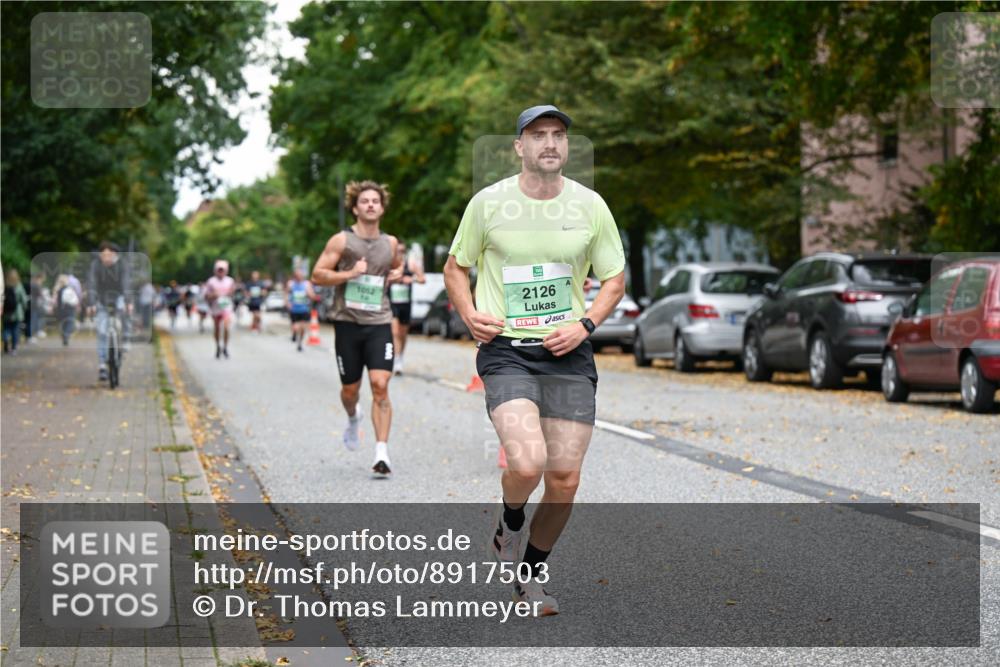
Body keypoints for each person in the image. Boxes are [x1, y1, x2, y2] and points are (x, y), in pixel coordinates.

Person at [444, 105, 626, 616]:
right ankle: (509, 522)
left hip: (567, 352)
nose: (550, 142)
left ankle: (531, 575)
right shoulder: (488, 203)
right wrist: (468, 311)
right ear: (519, 148)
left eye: (558, 135)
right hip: (506, 352)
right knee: (528, 462)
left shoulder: (591, 206)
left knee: (565, 477)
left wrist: (586, 324)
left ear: (567, 147)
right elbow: (456, 267)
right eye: (538, 135)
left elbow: (614, 279)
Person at [311, 180, 404, 476]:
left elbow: (398, 266)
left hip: (378, 322)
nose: (371, 205)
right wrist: (350, 273)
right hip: (347, 323)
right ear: (355, 208)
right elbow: (317, 275)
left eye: (376, 200)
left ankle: (382, 453)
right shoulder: (342, 241)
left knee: (380, 385)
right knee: (350, 390)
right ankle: (353, 418)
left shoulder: (389, 243)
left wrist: (398, 273)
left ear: (382, 207)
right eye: (365, 201)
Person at [87, 241, 132, 381]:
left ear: (115, 255)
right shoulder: (95, 266)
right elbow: (92, 284)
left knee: (124, 316)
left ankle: (125, 339)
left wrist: (128, 301)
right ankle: (102, 365)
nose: (106, 258)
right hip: (101, 299)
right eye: (103, 255)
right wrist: (91, 303)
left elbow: (126, 284)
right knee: (101, 332)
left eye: (109, 254)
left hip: (118, 296)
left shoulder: (122, 265)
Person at [388, 241, 426, 374]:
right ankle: (396, 360)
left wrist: (412, 279)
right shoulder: (390, 264)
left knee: (403, 334)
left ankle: (400, 356)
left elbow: (422, 279)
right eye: (397, 250)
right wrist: (392, 280)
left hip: (405, 303)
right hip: (392, 304)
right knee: (395, 332)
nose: (400, 253)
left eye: (402, 251)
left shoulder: (410, 264)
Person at [205, 260, 237, 359]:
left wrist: (229, 293)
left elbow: (233, 293)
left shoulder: (230, 281)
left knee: (226, 327)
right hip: (215, 307)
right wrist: (213, 295)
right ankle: (218, 346)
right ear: (215, 270)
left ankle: (225, 347)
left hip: (226, 306)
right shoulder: (211, 281)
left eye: (222, 270)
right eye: (219, 270)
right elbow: (206, 296)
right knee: (217, 328)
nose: (220, 272)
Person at [286, 268, 319, 352]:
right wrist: (287, 303)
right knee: (296, 327)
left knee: (303, 328)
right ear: (295, 276)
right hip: (294, 309)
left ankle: (299, 344)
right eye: (297, 275)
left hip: (304, 309)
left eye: (300, 275)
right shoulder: (291, 284)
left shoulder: (306, 284)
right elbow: (286, 293)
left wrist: (313, 296)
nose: (299, 277)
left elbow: (311, 295)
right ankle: (294, 334)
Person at [2, 268, 28, 355]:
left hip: (6, 312)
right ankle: (13, 349)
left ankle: (5, 339)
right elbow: (23, 299)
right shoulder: (19, 285)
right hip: (17, 312)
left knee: (6, 328)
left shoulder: (4, 285)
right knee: (15, 330)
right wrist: (25, 308)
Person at [54, 274, 81, 346]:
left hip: (61, 309)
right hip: (70, 308)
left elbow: (57, 301)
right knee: (70, 323)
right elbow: (76, 298)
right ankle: (66, 335)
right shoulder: (70, 289)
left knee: (63, 323)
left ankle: (64, 335)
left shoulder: (58, 290)